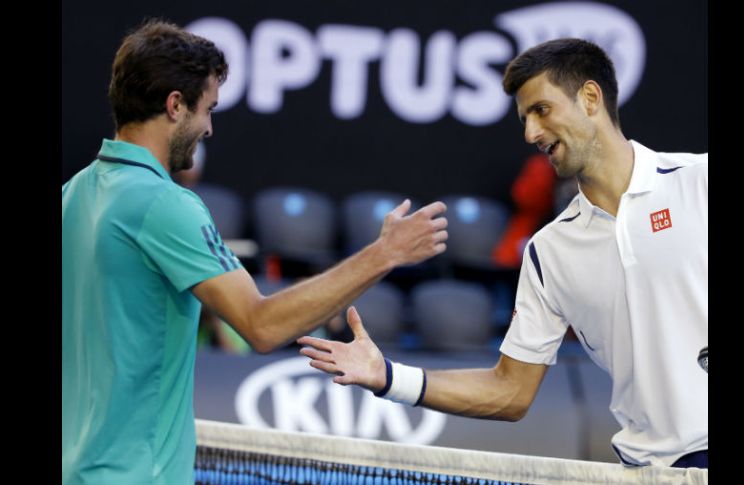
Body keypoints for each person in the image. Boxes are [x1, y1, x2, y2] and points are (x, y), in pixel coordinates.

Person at [61, 19, 448, 485]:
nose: (209, 128)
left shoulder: (74, 192)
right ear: (175, 106)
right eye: (208, 110)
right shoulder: (166, 203)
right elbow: (262, 327)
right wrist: (384, 254)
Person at [299, 38, 707, 469]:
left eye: (542, 110)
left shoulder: (698, 184)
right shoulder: (548, 254)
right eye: (525, 119)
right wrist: (389, 377)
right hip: (651, 472)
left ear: (590, 98)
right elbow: (509, 392)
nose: (530, 133)